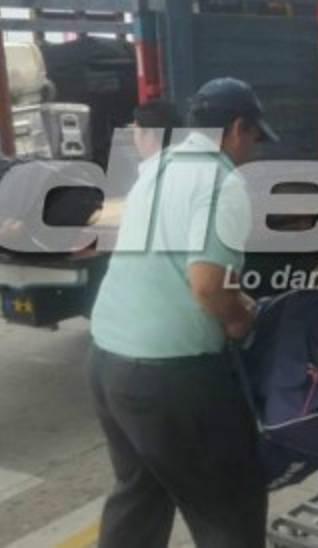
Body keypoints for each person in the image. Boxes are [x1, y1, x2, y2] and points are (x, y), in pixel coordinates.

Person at [87, 80, 276, 548]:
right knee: (228, 506)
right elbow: (209, 286)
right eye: (255, 138)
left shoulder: (159, 165)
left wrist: (232, 298)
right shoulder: (222, 181)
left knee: (142, 492)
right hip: (171, 378)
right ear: (238, 127)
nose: (254, 150)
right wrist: (240, 320)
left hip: (108, 362)